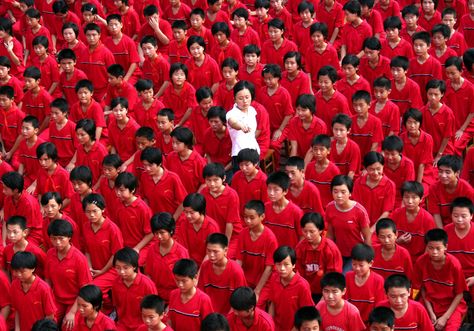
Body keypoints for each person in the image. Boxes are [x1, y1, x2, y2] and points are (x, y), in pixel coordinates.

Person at [413, 229, 467, 331]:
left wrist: (445, 317)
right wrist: (430, 312)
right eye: (430, 248)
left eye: (438, 248)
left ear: (445, 247)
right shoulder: (421, 262)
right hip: (429, 302)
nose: (434, 252)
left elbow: (460, 294)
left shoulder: (454, 264)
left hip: (452, 305)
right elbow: (422, 289)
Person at [45, 219, 91, 329]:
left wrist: (72, 312)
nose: (57, 242)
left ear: (69, 237)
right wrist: (49, 304)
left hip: (76, 301)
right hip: (57, 299)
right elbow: (48, 281)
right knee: (47, 324)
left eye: (61, 238)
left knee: (69, 326)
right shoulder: (50, 254)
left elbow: (85, 288)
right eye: (54, 239)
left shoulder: (79, 258)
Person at [258, 246, 314, 331]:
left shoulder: (302, 285)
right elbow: (272, 303)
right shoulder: (274, 278)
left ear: (293, 265)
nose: (282, 268)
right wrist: (270, 324)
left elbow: (306, 314)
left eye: (286, 264)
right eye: (278, 264)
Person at [82, 193, 124, 302]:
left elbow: (116, 255)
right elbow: (87, 251)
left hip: (111, 270)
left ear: (103, 209)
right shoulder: (86, 227)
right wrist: (89, 269)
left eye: (95, 211)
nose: (91, 215)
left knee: (90, 292)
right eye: (88, 212)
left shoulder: (112, 229)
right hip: (94, 269)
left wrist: (102, 271)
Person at [326, 175, 371, 273]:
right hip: (338, 252)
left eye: (343, 192)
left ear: (350, 193)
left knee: (344, 276)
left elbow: (367, 236)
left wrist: (367, 258)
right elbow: (330, 233)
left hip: (355, 255)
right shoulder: (330, 207)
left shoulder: (359, 211)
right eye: (335, 191)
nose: (339, 195)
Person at [296, 212, 342, 300]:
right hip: (306, 292)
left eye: (312, 231)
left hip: (326, 294)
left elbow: (332, 277)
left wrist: (324, 299)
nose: (308, 235)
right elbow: (299, 275)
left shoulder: (330, 249)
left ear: (320, 230)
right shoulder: (300, 248)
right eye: (305, 231)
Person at [236, 200, 277, 296]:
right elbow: (239, 261)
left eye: (252, 217)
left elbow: (269, 268)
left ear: (262, 217)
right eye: (245, 217)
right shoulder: (242, 234)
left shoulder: (270, 238)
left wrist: (257, 291)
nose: (248, 220)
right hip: (245, 279)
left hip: (264, 282)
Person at [145, 212, 189, 302]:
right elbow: (148, 275)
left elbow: (185, 280)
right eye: (156, 233)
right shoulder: (151, 250)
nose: (159, 236)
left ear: (171, 231)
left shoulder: (181, 252)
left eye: (162, 232)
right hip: (156, 294)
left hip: (176, 295)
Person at [198, 233, 247, 314]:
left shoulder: (236, 270)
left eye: (215, 252)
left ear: (225, 251)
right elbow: (201, 294)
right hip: (208, 315)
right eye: (208, 251)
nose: (211, 255)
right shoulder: (205, 266)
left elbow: (240, 300)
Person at [200, 163, 242, 257]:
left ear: (223, 179)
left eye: (216, 180)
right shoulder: (203, 193)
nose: (212, 184)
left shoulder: (232, 195)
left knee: (222, 257)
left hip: (231, 236)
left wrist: (224, 244)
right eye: (208, 180)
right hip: (212, 234)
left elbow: (229, 223)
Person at [112, 247, 157, 331]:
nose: (121, 271)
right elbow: (116, 305)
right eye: (118, 267)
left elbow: (154, 311)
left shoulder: (147, 284)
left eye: (125, 268)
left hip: (143, 326)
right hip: (122, 325)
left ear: (134, 266)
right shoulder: (115, 283)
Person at [114, 172, 154, 266]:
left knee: (130, 264)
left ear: (132, 190)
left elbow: (151, 233)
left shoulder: (142, 208)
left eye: (122, 190)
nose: (118, 193)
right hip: (126, 246)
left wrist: (136, 248)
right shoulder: (118, 203)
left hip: (143, 246)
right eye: (116, 190)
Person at [391, 181, 436, 263]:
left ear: (421, 199)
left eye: (414, 197)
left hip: (419, 260)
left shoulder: (427, 219)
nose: (410, 201)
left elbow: (430, 244)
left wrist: (421, 263)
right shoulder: (396, 214)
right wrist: (397, 241)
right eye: (406, 197)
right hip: (398, 257)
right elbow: (388, 236)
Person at [10, 251, 56, 331]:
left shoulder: (43, 288)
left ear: (33, 268)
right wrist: (17, 328)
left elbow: (50, 315)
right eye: (16, 271)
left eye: (22, 271)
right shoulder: (14, 285)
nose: (19, 274)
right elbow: (17, 310)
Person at [140, 147, 187, 219]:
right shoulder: (144, 176)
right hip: (155, 220)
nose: (147, 169)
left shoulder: (173, 178)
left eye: (150, 165)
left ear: (159, 163)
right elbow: (145, 197)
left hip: (171, 220)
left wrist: (173, 219)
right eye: (144, 165)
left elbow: (183, 202)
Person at [168, 259, 214, 331]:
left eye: (184, 281)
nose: (180, 285)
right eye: (177, 280)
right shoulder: (173, 294)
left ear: (195, 277)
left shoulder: (204, 299)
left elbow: (210, 326)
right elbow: (170, 321)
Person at [428, 155, 474, 227]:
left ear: (457, 173)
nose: (443, 175)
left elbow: (470, 216)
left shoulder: (467, 190)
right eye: (440, 171)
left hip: (462, 226)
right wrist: (442, 235)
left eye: (447, 172)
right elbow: (436, 214)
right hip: (442, 226)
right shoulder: (433, 188)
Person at [352, 152, 396, 228]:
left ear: (383, 166)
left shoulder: (389, 185)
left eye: (378, 169)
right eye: (371, 169)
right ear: (365, 169)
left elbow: (386, 212)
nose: (376, 173)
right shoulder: (358, 183)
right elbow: (356, 207)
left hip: (380, 227)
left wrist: (372, 230)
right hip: (360, 225)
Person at [175, 193, 220, 266]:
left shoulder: (212, 227)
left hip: (207, 264)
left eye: (192, 213)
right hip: (189, 264)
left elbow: (210, 254)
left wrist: (199, 273)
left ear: (201, 211)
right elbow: (182, 249)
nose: (188, 216)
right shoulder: (183, 223)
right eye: (186, 212)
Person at [345, 244, 385, 323]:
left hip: (369, 323)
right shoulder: (348, 276)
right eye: (354, 264)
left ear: (370, 263)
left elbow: (379, 306)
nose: (357, 268)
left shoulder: (378, 280)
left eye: (361, 265)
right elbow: (345, 302)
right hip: (351, 321)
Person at [2, 171, 43, 246]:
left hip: (31, 234)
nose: (3, 191)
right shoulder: (8, 198)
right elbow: (5, 221)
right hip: (13, 230)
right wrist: (3, 242)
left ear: (16, 190)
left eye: (5, 188)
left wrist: (12, 243)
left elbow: (28, 229)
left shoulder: (29, 203)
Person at [264, 171, 303, 248]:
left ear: (285, 191)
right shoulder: (265, 208)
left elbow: (302, 236)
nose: (271, 193)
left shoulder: (296, 212)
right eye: (269, 189)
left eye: (276, 190)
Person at [226, 80, 260, 169]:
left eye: (247, 97)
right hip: (239, 154)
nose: (245, 101)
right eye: (240, 98)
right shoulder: (231, 113)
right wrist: (241, 126)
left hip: (254, 151)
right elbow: (233, 123)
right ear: (234, 99)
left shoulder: (252, 110)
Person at [445, 197, 474, 298]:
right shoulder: (446, 232)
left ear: (471, 216)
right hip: (451, 277)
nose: (459, 219)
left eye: (463, 216)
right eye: (455, 216)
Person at [167, 126, 207, 194]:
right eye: (173, 142)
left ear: (187, 144)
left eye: (177, 143)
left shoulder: (199, 161)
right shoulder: (170, 156)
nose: (174, 145)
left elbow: (204, 183)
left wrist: (195, 197)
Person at [305, 135, 340, 208]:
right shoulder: (309, 167)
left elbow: (337, 190)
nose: (318, 152)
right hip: (312, 205)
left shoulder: (334, 170)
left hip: (328, 206)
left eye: (321, 149)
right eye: (315, 149)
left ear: (328, 151)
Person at [287, 94, 327, 159]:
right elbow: (294, 147)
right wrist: (292, 164)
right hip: (300, 157)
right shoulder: (293, 122)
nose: (300, 113)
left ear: (311, 110)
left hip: (316, 158)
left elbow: (312, 150)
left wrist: (304, 167)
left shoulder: (320, 126)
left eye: (303, 110)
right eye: (298, 109)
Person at [381, 135, 415, 208]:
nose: (389, 157)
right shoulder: (381, 162)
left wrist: (403, 205)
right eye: (386, 154)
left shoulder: (408, 164)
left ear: (400, 152)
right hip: (384, 196)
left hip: (401, 197)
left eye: (393, 154)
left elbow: (408, 188)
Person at [231, 148, 268, 216]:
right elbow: (233, 198)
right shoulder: (236, 176)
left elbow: (266, 203)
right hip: (239, 216)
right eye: (241, 165)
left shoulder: (263, 180)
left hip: (255, 217)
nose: (244, 168)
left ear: (256, 163)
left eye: (247, 165)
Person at [349, 90, 384, 160]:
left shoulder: (376, 122)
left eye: (361, 105)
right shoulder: (350, 121)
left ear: (369, 105)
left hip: (370, 159)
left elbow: (375, 145)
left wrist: (368, 163)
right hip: (354, 158)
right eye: (355, 105)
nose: (358, 108)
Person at [408, 31, 442, 103]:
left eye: (421, 45)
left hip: (430, 101)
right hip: (414, 101)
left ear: (429, 46)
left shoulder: (436, 64)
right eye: (415, 45)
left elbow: (436, 86)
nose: (418, 48)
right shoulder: (410, 63)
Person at [17, 115, 45, 192]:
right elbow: (22, 163)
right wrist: (19, 179)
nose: (24, 131)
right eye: (22, 128)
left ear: (36, 130)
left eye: (27, 129)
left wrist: (34, 185)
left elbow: (45, 168)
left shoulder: (42, 145)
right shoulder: (22, 143)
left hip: (41, 178)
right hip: (28, 178)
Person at [21, 66, 52, 133]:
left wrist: (38, 132)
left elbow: (48, 117)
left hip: (44, 129)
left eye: (29, 81)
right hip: (32, 129)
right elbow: (26, 114)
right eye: (25, 81)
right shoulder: (26, 95)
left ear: (38, 81)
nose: (27, 83)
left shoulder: (46, 96)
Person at [329, 114, 361, 179]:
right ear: (332, 129)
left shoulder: (354, 147)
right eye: (336, 129)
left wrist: (344, 187)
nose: (338, 133)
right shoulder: (328, 144)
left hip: (347, 182)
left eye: (341, 130)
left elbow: (352, 172)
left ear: (348, 130)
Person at [48, 98, 77, 167]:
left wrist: (72, 163)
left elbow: (79, 148)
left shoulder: (73, 127)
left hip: (71, 160)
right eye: (52, 113)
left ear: (65, 113)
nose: (53, 116)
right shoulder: (52, 125)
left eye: (56, 113)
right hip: (57, 161)